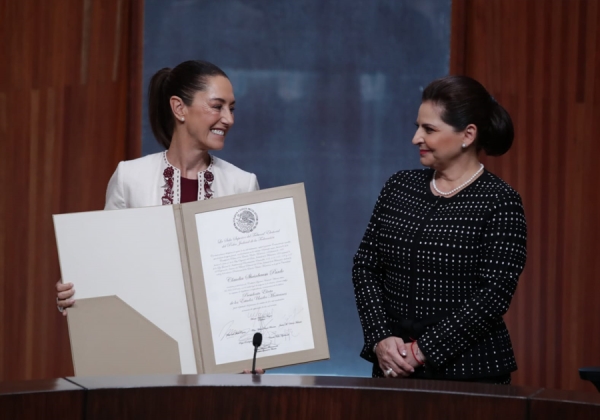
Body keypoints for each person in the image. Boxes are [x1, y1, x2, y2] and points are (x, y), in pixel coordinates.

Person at [55, 59, 263, 373]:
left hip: (222, 359)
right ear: (179, 108)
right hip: (143, 353)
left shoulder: (242, 184)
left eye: (232, 109)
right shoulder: (130, 177)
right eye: (217, 106)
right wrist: (76, 291)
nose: (228, 119)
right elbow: (106, 265)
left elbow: (255, 283)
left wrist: (260, 352)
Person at [352, 75, 527, 384]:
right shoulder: (399, 186)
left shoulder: (501, 201)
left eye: (429, 129)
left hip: (470, 375)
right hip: (392, 369)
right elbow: (365, 266)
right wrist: (381, 339)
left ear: (468, 134)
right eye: (418, 126)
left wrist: (422, 351)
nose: (416, 138)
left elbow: (494, 294)